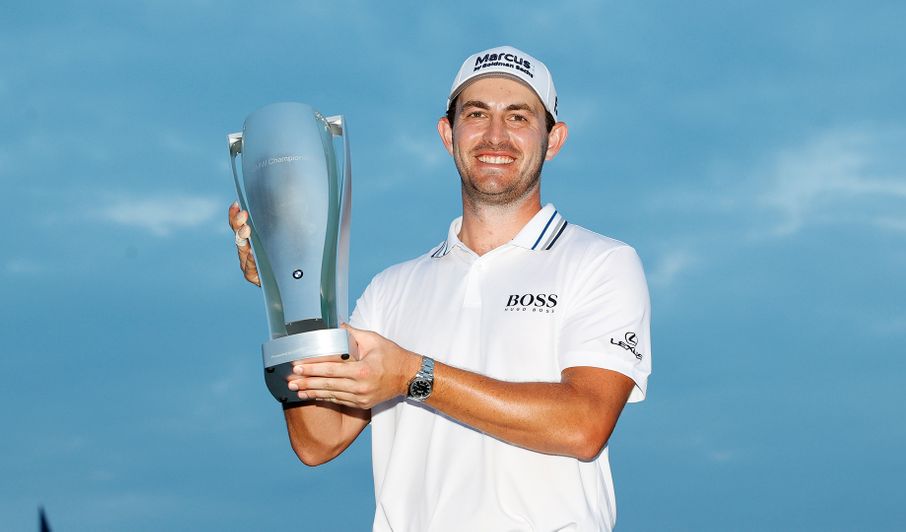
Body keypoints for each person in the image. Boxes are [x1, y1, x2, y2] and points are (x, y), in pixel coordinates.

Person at [228, 45, 651, 531]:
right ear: (447, 134)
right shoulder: (392, 288)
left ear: (553, 139)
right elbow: (317, 440)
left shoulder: (600, 262)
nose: (496, 136)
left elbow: (583, 424)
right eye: (476, 114)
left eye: (518, 116)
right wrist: (289, 295)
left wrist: (415, 375)